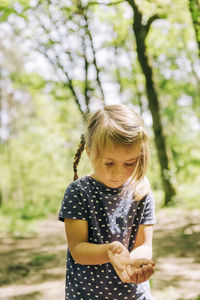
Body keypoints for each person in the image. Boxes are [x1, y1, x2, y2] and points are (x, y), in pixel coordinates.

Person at [59, 104, 156, 300]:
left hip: (134, 295)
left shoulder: (141, 192)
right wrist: (109, 251)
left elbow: (144, 244)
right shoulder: (79, 192)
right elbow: (78, 249)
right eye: (109, 163)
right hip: (87, 295)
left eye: (129, 163)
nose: (118, 173)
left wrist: (135, 264)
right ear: (89, 152)